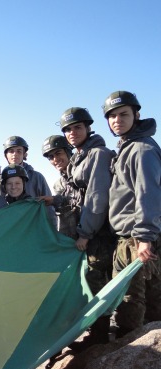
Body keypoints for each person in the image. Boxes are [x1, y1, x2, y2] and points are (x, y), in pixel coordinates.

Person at [46, 107, 116, 349]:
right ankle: (97, 334)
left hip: (98, 234)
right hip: (90, 231)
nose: (72, 132)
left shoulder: (97, 154)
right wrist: (54, 200)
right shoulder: (81, 156)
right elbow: (77, 196)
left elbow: (97, 198)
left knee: (96, 282)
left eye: (77, 127)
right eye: (67, 129)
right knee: (90, 282)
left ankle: (100, 338)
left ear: (88, 127)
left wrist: (85, 234)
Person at [103, 90, 161, 338]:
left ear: (136, 115)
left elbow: (148, 194)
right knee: (143, 297)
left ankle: (131, 352)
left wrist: (145, 237)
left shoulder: (141, 150)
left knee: (130, 300)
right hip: (129, 236)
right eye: (112, 116)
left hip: (136, 238)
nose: (117, 120)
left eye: (123, 114)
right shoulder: (128, 147)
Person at [0, 136, 55, 222]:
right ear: (6, 155)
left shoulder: (37, 177)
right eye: (11, 151)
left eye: (19, 151)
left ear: (24, 154)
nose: (15, 154)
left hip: (33, 224)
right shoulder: (0, 178)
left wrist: (52, 230)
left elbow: (49, 206)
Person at [40, 135, 75, 237]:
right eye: (51, 157)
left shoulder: (83, 174)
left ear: (68, 152)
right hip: (72, 240)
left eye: (58, 153)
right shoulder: (58, 185)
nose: (55, 159)